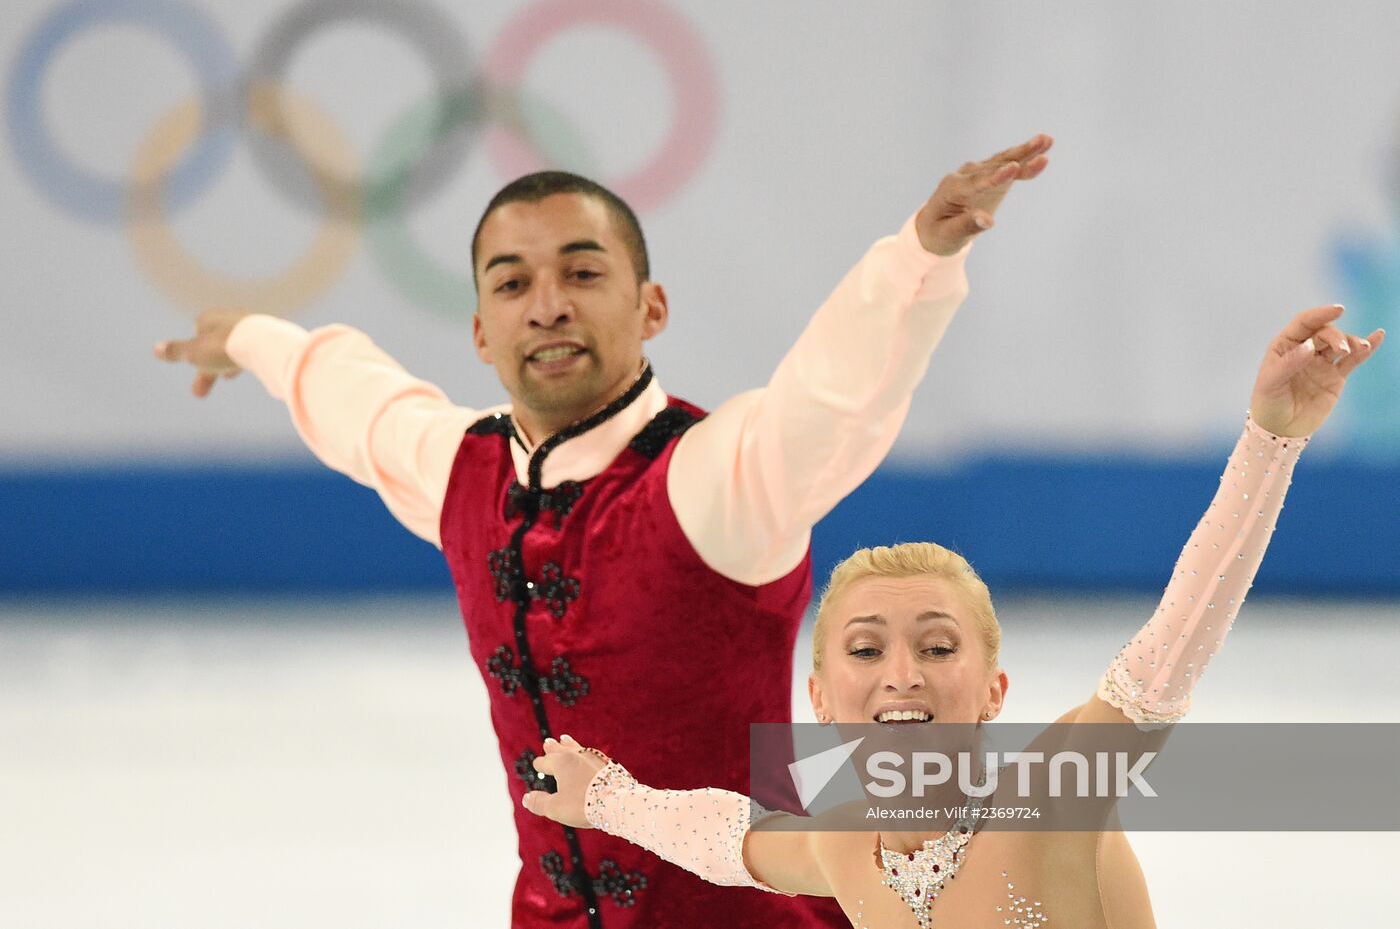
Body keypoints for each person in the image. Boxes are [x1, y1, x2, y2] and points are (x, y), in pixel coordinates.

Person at [153, 135, 1052, 928]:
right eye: (514, 283)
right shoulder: (460, 470)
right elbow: (352, 394)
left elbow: (834, 394)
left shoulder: (711, 481)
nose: (547, 305)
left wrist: (920, 257)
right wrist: (248, 338)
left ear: (650, 307)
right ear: (481, 331)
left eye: (582, 274)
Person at [523, 306, 1385, 928]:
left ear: (992, 691)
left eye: (938, 646)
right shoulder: (843, 844)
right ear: (820, 699)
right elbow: (728, 836)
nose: (902, 674)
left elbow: (1176, 643)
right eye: (867, 650)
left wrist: (1271, 441)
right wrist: (608, 797)